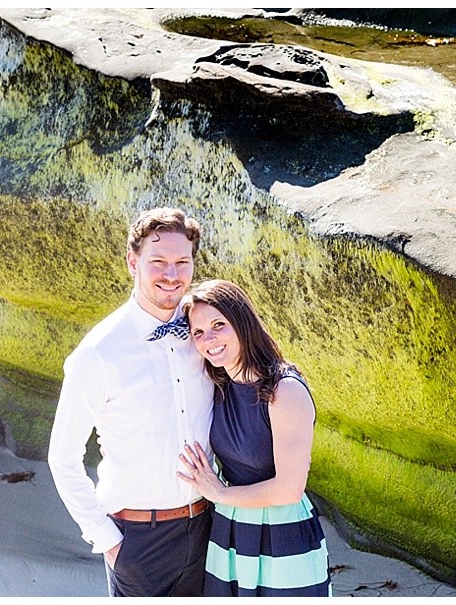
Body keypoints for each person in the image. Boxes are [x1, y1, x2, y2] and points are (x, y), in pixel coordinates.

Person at [48, 207, 214, 597]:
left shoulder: (204, 335)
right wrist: (109, 542)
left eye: (181, 262)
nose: (171, 275)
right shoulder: (98, 353)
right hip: (139, 542)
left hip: (210, 528)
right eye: (158, 262)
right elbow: (63, 457)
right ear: (132, 262)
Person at [177, 279, 331, 597]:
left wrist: (218, 492)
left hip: (282, 531)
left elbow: (289, 489)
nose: (210, 339)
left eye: (219, 324)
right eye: (199, 333)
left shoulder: (284, 390)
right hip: (230, 530)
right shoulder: (219, 384)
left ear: (242, 321)